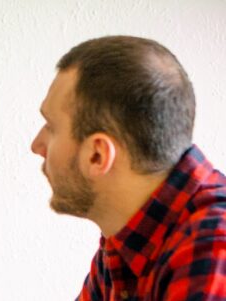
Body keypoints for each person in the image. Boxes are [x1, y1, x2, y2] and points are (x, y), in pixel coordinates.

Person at [31, 35, 226, 300]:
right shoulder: (130, 237)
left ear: (97, 156)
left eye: (51, 128)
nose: (36, 145)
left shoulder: (213, 250)